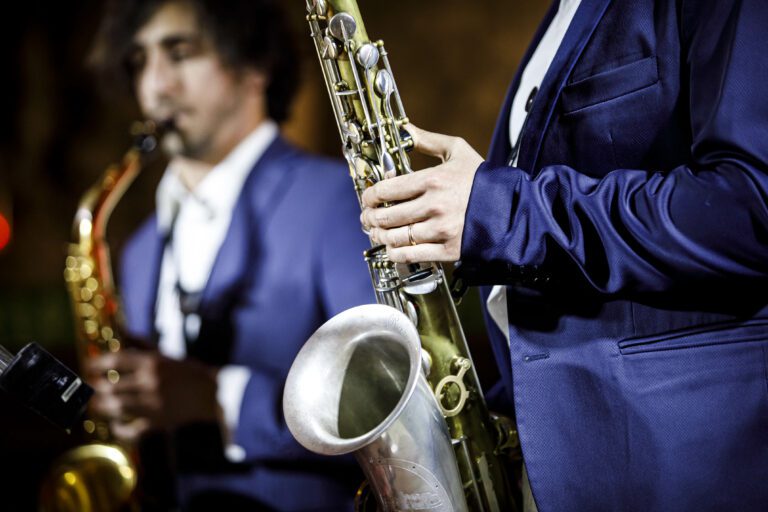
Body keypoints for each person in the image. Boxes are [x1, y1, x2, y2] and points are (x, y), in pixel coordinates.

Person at [361, 0, 768, 511]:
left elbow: (750, 207)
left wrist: (502, 212)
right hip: (562, 462)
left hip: (683, 466)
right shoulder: (560, 17)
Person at [85, 0, 373, 510]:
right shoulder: (139, 249)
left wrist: (219, 400)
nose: (154, 87)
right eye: (138, 62)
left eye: (180, 53)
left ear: (254, 64)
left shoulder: (334, 200)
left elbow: (386, 411)